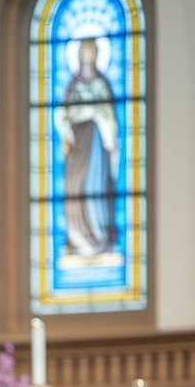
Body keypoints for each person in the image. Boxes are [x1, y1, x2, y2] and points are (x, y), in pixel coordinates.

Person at [54, 38, 119, 259]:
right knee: (75, 187)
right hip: (77, 143)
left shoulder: (102, 84)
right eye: (84, 53)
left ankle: (99, 237)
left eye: (92, 53)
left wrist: (109, 138)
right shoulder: (73, 85)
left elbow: (108, 115)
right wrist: (66, 131)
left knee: (95, 185)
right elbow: (63, 114)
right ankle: (77, 237)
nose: (88, 57)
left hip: (96, 143)